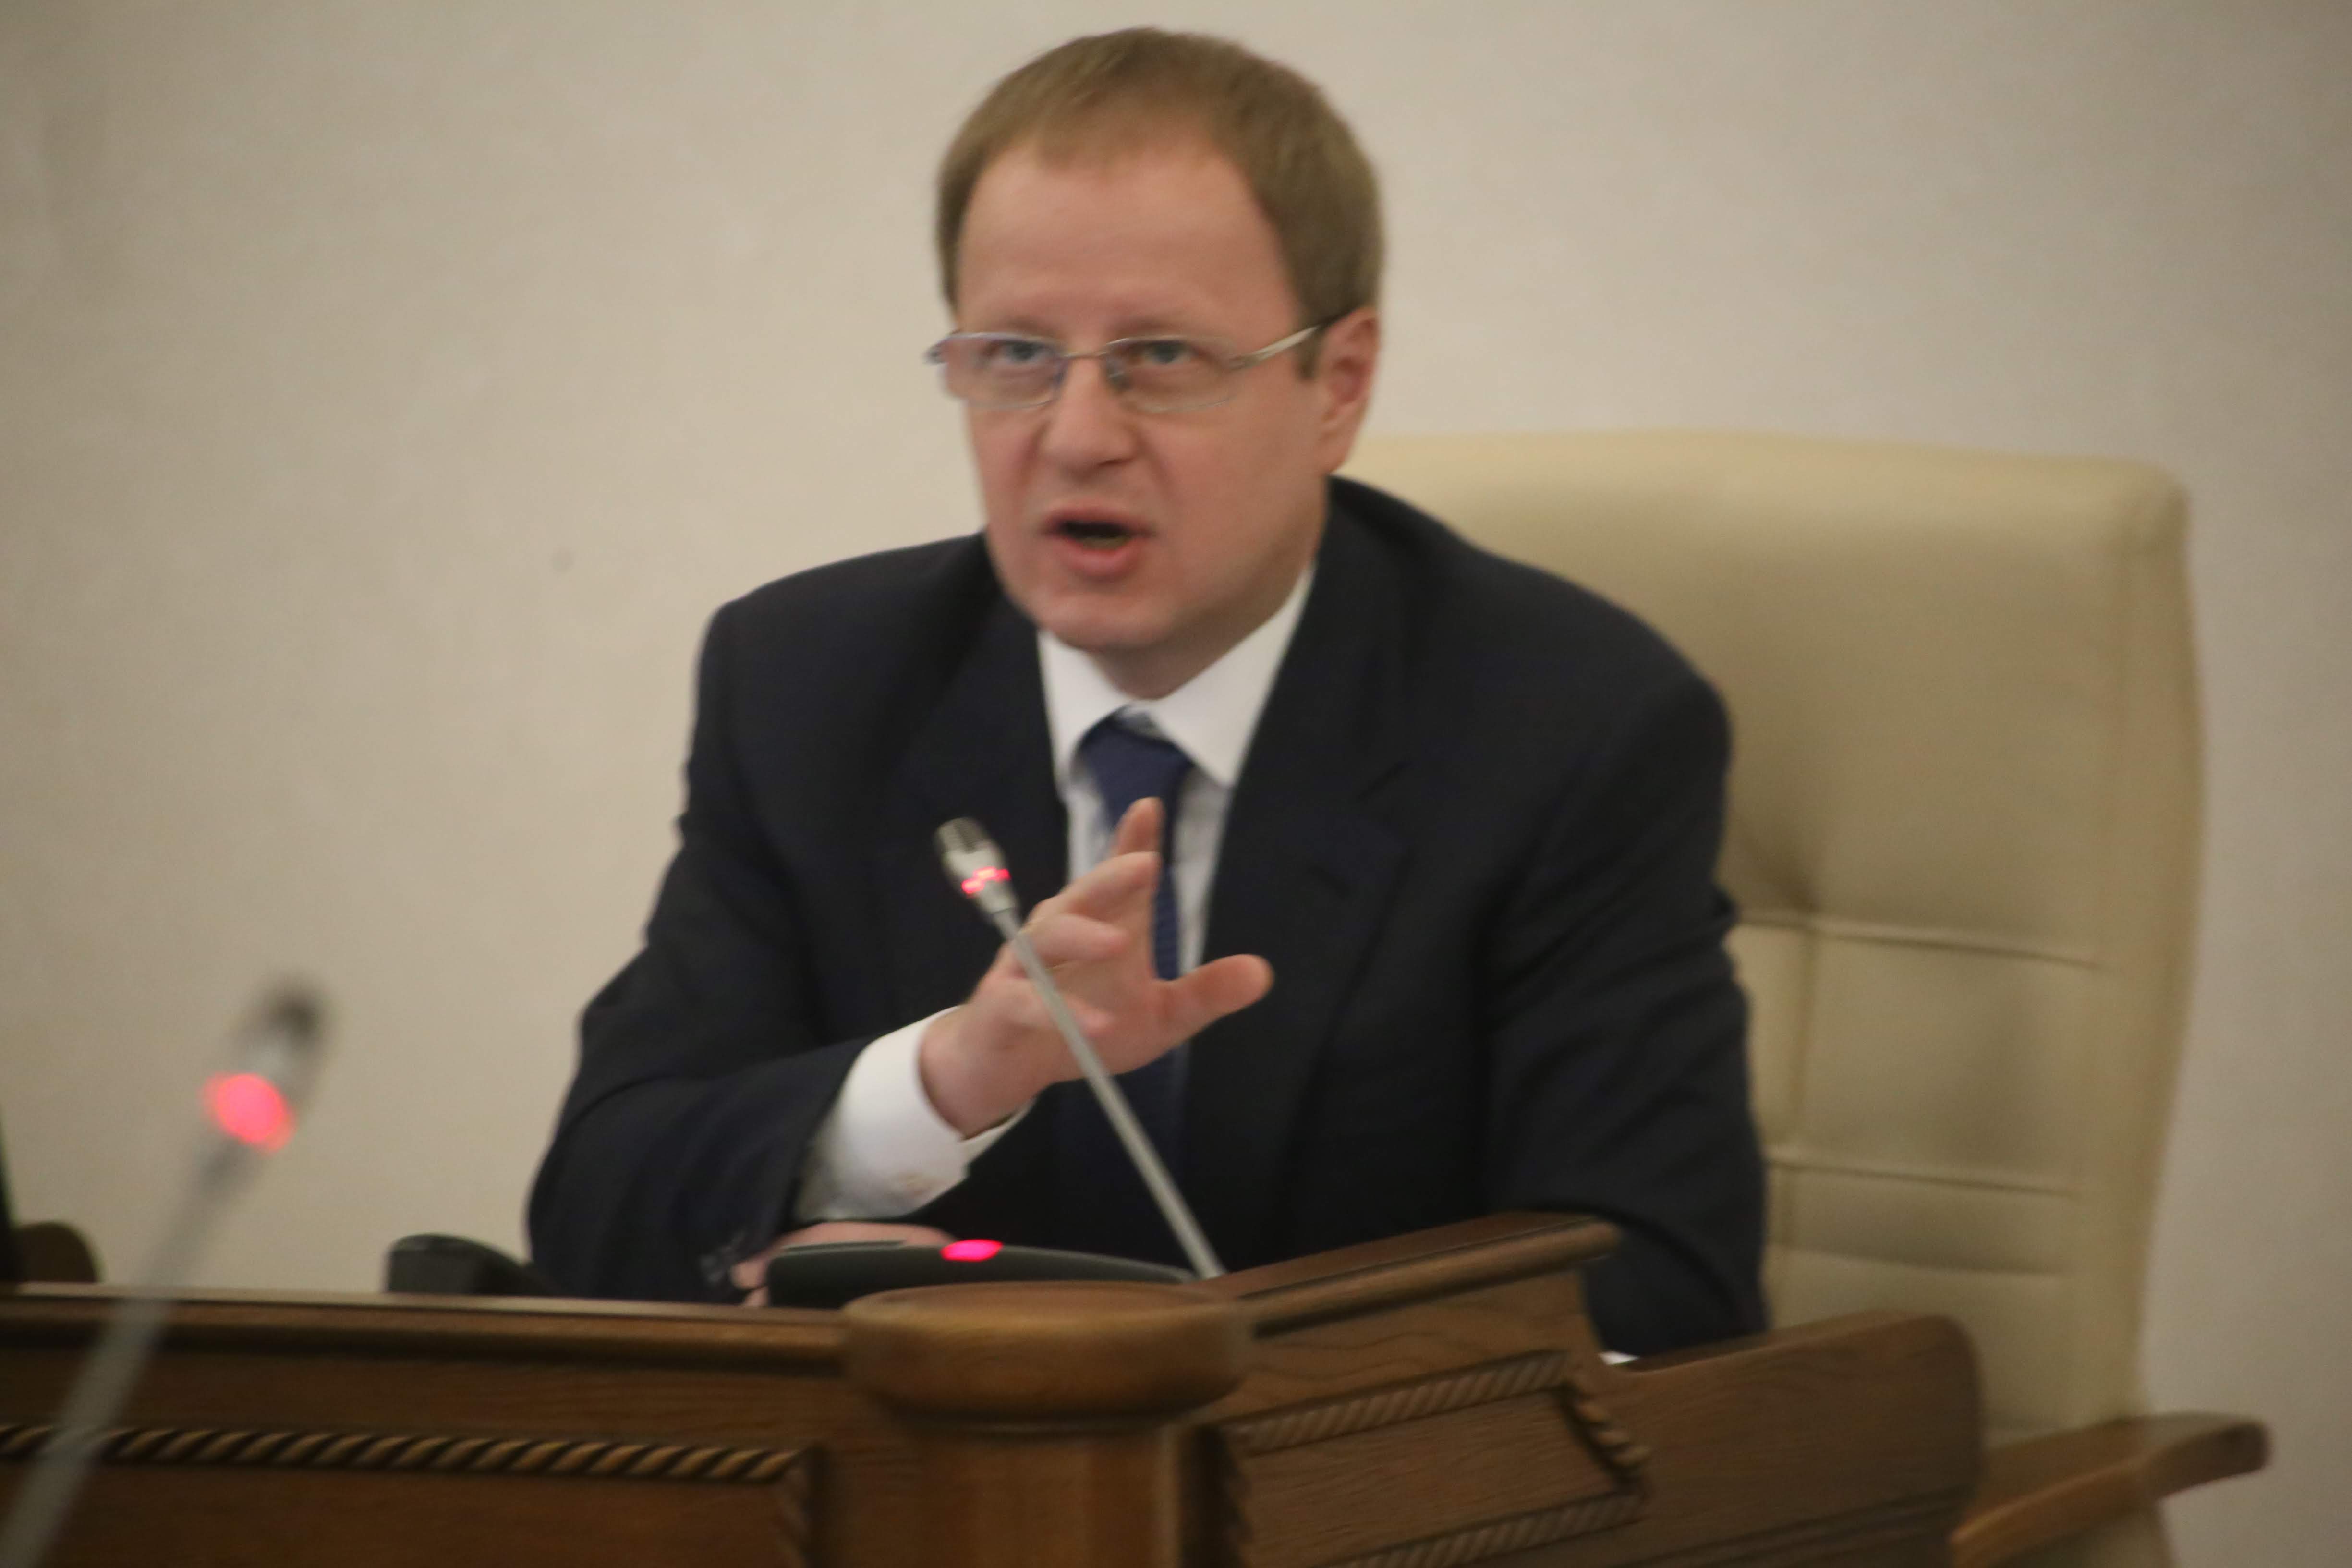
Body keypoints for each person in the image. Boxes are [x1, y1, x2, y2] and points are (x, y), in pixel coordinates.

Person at [529, 28, 1764, 1354]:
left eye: (1162, 357)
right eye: (1015, 354)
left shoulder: (1571, 729)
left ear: (1338, 386)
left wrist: (1194, 1385)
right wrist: (943, 1083)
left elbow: (1660, 1291)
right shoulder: (810, 686)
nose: (1075, 436)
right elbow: (598, 1215)